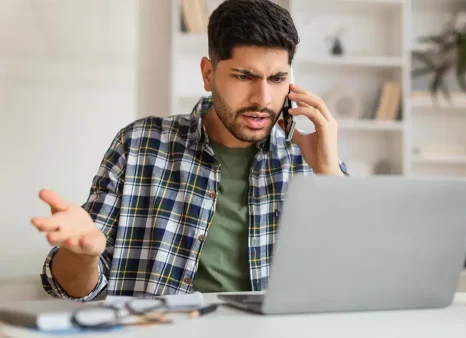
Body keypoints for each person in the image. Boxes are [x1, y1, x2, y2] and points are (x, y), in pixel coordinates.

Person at [31, 0, 348, 301]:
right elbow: (74, 287)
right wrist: (82, 255)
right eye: (244, 76)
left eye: (277, 78)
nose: (263, 99)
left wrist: (329, 175)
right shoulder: (140, 145)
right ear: (208, 74)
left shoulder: (311, 160)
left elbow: (350, 281)